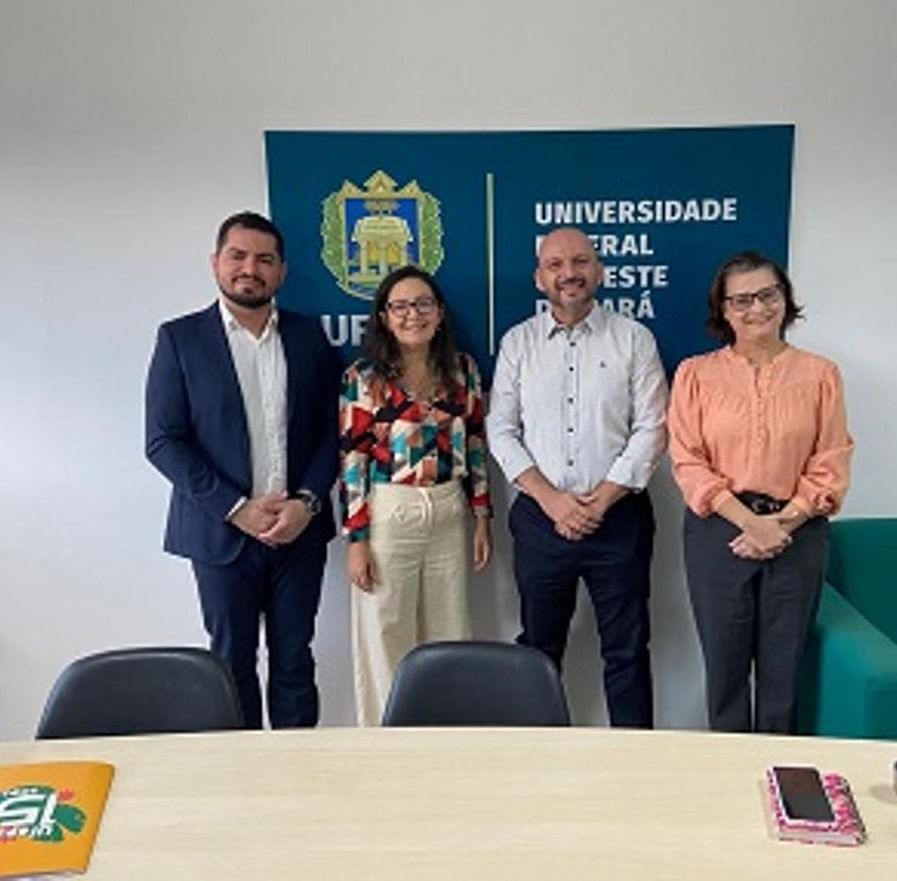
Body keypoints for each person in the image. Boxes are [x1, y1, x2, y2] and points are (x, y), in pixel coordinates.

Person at [145, 211, 339, 729]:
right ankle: (242, 782)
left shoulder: (308, 337)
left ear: (281, 272)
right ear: (216, 263)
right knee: (230, 665)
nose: (249, 268)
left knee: (296, 662)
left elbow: (330, 432)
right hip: (218, 533)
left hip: (298, 533)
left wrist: (307, 503)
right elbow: (163, 441)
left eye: (264, 259)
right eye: (238, 256)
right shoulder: (180, 339)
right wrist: (236, 508)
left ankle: (297, 781)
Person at [487, 227, 668, 728]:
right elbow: (500, 430)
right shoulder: (518, 342)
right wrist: (553, 502)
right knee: (538, 650)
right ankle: (538, 764)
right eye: (556, 264)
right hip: (542, 521)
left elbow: (653, 427)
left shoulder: (634, 339)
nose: (569, 273)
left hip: (621, 519)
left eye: (580, 262)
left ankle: (633, 768)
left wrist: (600, 501)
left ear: (600, 270)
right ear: (539, 277)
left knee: (627, 649)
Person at [668, 251, 853, 734]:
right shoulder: (694, 374)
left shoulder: (820, 374)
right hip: (719, 533)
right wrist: (750, 523)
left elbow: (830, 460)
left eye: (768, 295)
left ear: (785, 299)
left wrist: (782, 523)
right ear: (724, 310)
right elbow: (687, 459)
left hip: (798, 534)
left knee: (783, 673)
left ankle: (779, 781)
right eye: (742, 300)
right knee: (725, 674)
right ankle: (726, 785)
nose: (758, 309)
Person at [339, 266, 492, 725]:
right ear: (385, 317)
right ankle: (386, 742)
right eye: (400, 306)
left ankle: (448, 739)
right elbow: (353, 460)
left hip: (447, 511)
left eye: (423, 304)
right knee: (387, 635)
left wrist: (481, 514)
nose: (413, 315)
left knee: (450, 635)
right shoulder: (364, 378)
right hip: (390, 513)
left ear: (440, 313)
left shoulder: (462, 371)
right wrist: (357, 540)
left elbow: (478, 444)